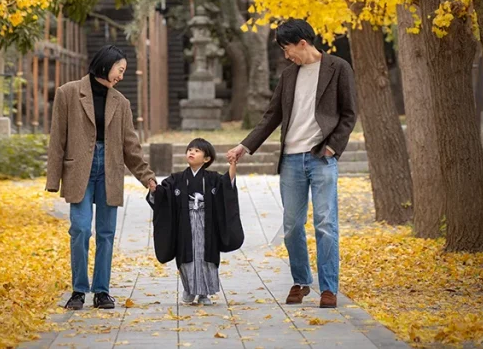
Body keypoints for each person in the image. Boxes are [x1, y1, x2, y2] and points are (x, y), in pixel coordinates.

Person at [227, 19, 357, 309]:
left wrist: (333, 147)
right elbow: (271, 116)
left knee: (325, 224)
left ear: (302, 43)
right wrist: (244, 146)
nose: (287, 56)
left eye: (288, 49)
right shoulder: (289, 76)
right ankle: (301, 281)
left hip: (322, 158)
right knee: (291, 226)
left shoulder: (338, 68)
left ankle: (328, 289)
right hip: (291, 161)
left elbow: (349, 114)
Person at [45, 44, 158, 310]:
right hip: (79, 170)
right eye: (120, 69)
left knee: (106, 233)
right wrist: (53, 179)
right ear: (107, 65)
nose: (121, 76)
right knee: (81, 229)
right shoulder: (68, 93)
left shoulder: (121, 102)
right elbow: (57, 140)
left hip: (109, 168)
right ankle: (79, 290)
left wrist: (148, 178)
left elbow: (131, 147)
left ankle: (102, 291)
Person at [147, 138, 244, 305]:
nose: (191, 152)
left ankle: (204, 293)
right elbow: (163, 195)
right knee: (187, 258)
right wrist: (155, 190)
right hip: (185, 225)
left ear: (207, 159)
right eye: (190, 149)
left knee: (206, 258)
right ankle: (190, 290)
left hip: (207, 226)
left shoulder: (213, 178)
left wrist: (233, 166)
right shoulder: (176, 179)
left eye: (197, 151)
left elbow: (227, 186)